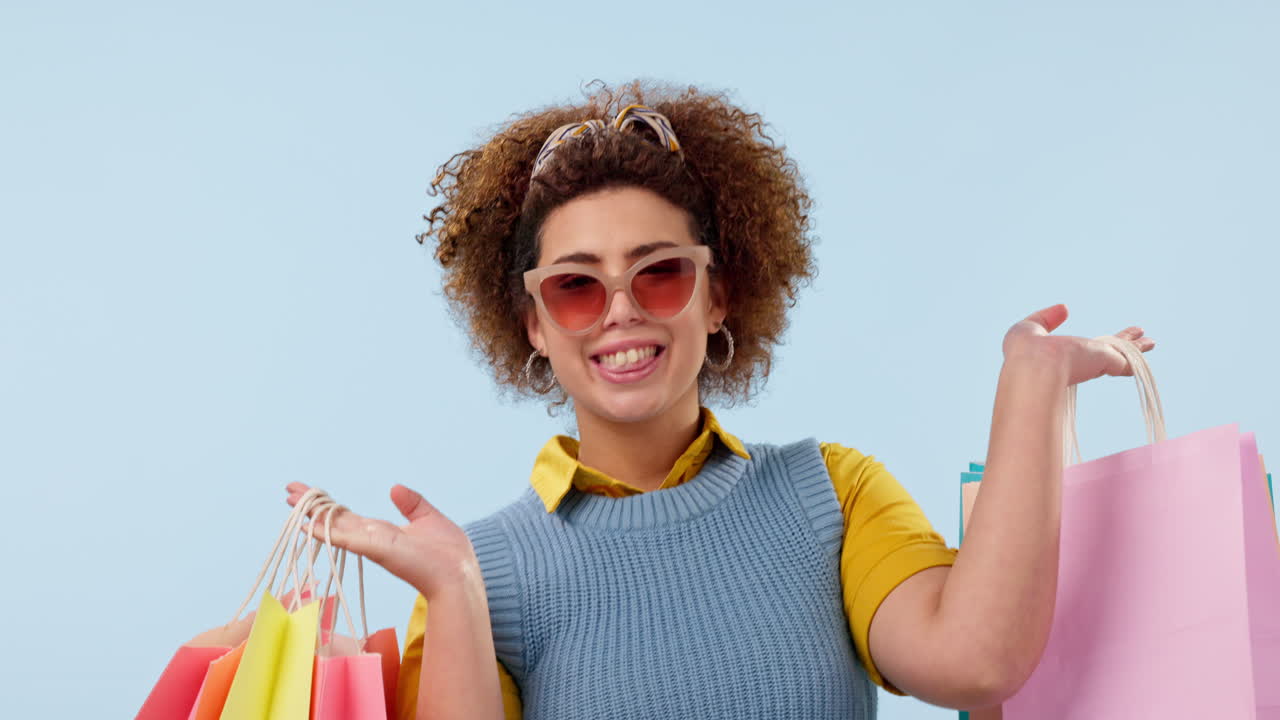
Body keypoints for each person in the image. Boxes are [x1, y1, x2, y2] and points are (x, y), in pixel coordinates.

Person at [285, 81, 1155, 720]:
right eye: (576, 288)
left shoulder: (833, 495)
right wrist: (453, 588)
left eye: (659, 273)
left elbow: (977, 664)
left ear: (718, 294)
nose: (621, 310)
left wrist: (1028, 388)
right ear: (535, 326)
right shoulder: (478, 574)